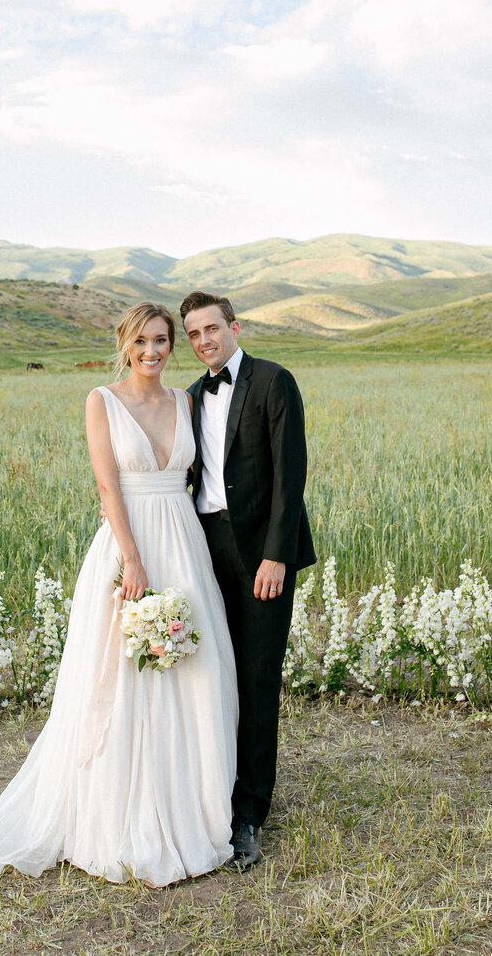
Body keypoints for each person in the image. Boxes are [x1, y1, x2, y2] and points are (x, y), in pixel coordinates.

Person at [0, 302, 238, 887]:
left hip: (183, 543)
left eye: (162, 341)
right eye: (142, 342)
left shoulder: (185, 402)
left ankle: (193, 805)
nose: (152, 352)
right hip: (128, 545)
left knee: (195, 672)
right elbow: (108, 486)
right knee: (121, 678)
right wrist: (131, 560)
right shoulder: (101, 401)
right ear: (125, 345)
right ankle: (116, 814)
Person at [180, 290, 316, 871]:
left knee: (258, 677)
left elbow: (291, 472)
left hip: (262, 553)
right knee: (214, 675)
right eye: (194, 334)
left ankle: (252, 810)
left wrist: (276, 555)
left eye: (212, 329)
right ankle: (213, 792)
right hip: (205, 549)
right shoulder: (187, 398)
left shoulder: (273, 382)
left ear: (234, 327)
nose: (205, 341)